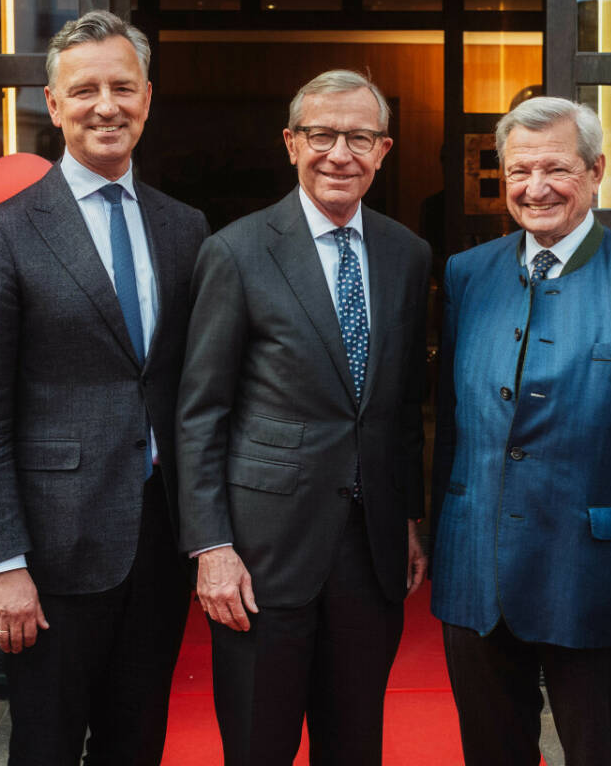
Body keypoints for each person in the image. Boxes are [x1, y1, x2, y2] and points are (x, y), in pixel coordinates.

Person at [0, 11, 209, 765]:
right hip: (52, 554)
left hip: (158, 542)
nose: (107, 105)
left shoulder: (184, 227)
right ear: (53, 105)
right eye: (85, 89)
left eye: (122, 87)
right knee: (48, 748)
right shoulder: (5, 233)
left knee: (137, 744)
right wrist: (4, 565)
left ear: (148, 98)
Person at [430, 96, 611, 766]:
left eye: (555, 168)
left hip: (599, 585)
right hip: (478, 578)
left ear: (596, 171)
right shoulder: (467, 275)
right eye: (519, 172)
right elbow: (452, 430)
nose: (535, 188)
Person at [175, 69, 432, 765]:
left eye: (359, 137)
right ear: (291, 143)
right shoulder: (236, 251)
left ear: (384, 150)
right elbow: (201, 412)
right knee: (260, 744)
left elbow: (404, 404)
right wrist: (211, 548)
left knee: (355, 745)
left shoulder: (408, 256)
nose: (339, 154)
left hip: (370, 548)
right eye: (322, 135)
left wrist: (407, 517)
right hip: (262, 554)